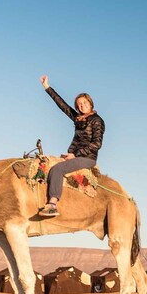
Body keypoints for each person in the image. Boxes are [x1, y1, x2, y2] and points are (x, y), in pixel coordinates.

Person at [37, 75, 105, 217]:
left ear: (90, 103)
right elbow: (62, 105)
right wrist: (47, 87)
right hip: (74, 155)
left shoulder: (97, 120)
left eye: (85, 103)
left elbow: (97, 144)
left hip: (88, 157)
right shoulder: (78, 119)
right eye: (79, 104)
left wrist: (76, 154)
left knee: (57, 169)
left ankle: (52, 205)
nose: (82, 106)